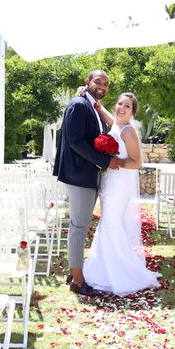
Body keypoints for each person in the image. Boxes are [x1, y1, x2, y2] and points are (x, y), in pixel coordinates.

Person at [53, 70, 125, 296]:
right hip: (78, 176)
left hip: (89, 175)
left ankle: (73, 271)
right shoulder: (78, 105)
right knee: (79, 226)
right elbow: (75, 142)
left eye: (106, 83)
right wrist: (106, 161)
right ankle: (78, 280)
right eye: (97, 82)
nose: (102, 86)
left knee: (80, 225)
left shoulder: (92, 107)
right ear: (88, 82)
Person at [82, 92, 161, 296]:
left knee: (111, 224)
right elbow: (111, 119)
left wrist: (113, 161)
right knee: (107, 223)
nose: (121, 108)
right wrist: (97, 105)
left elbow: (136, 163)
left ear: (132, 112)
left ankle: (119, 272)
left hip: (120, 186)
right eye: (119, 104)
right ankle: (103, 268)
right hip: (109, 183)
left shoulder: (128, 131)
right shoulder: (117, 124)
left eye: (127, 106)